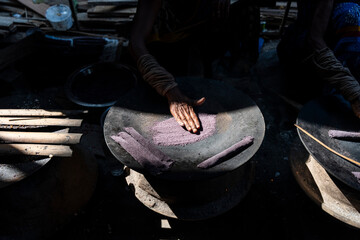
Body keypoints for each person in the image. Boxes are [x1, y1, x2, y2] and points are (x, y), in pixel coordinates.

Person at [129, 0, 259, 133]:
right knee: (182, 91)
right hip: (167, 45)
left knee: (247, 7)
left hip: (202, 36)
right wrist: (166, 85)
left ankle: (238, 73)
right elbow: (135, 44)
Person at [277, 0, 360, 118]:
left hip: (336, 43)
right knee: (352, 14)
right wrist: (352, 91)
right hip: (306, 53)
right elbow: (315, 42)